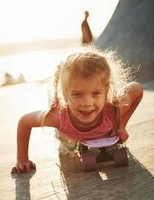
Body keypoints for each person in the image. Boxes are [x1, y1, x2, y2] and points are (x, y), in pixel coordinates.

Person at [11, 47, 143, 173]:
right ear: (65, 94)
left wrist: (120, 125)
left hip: (105, 131)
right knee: (67, 146)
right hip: (68, 136)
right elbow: (24, 121)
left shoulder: (114, 111)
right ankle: (57, 100)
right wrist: (22, 159)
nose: (87, 103)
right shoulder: (57, 117)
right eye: (77, 94)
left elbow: (136, 89)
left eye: (96, 93)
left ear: (106, 91)